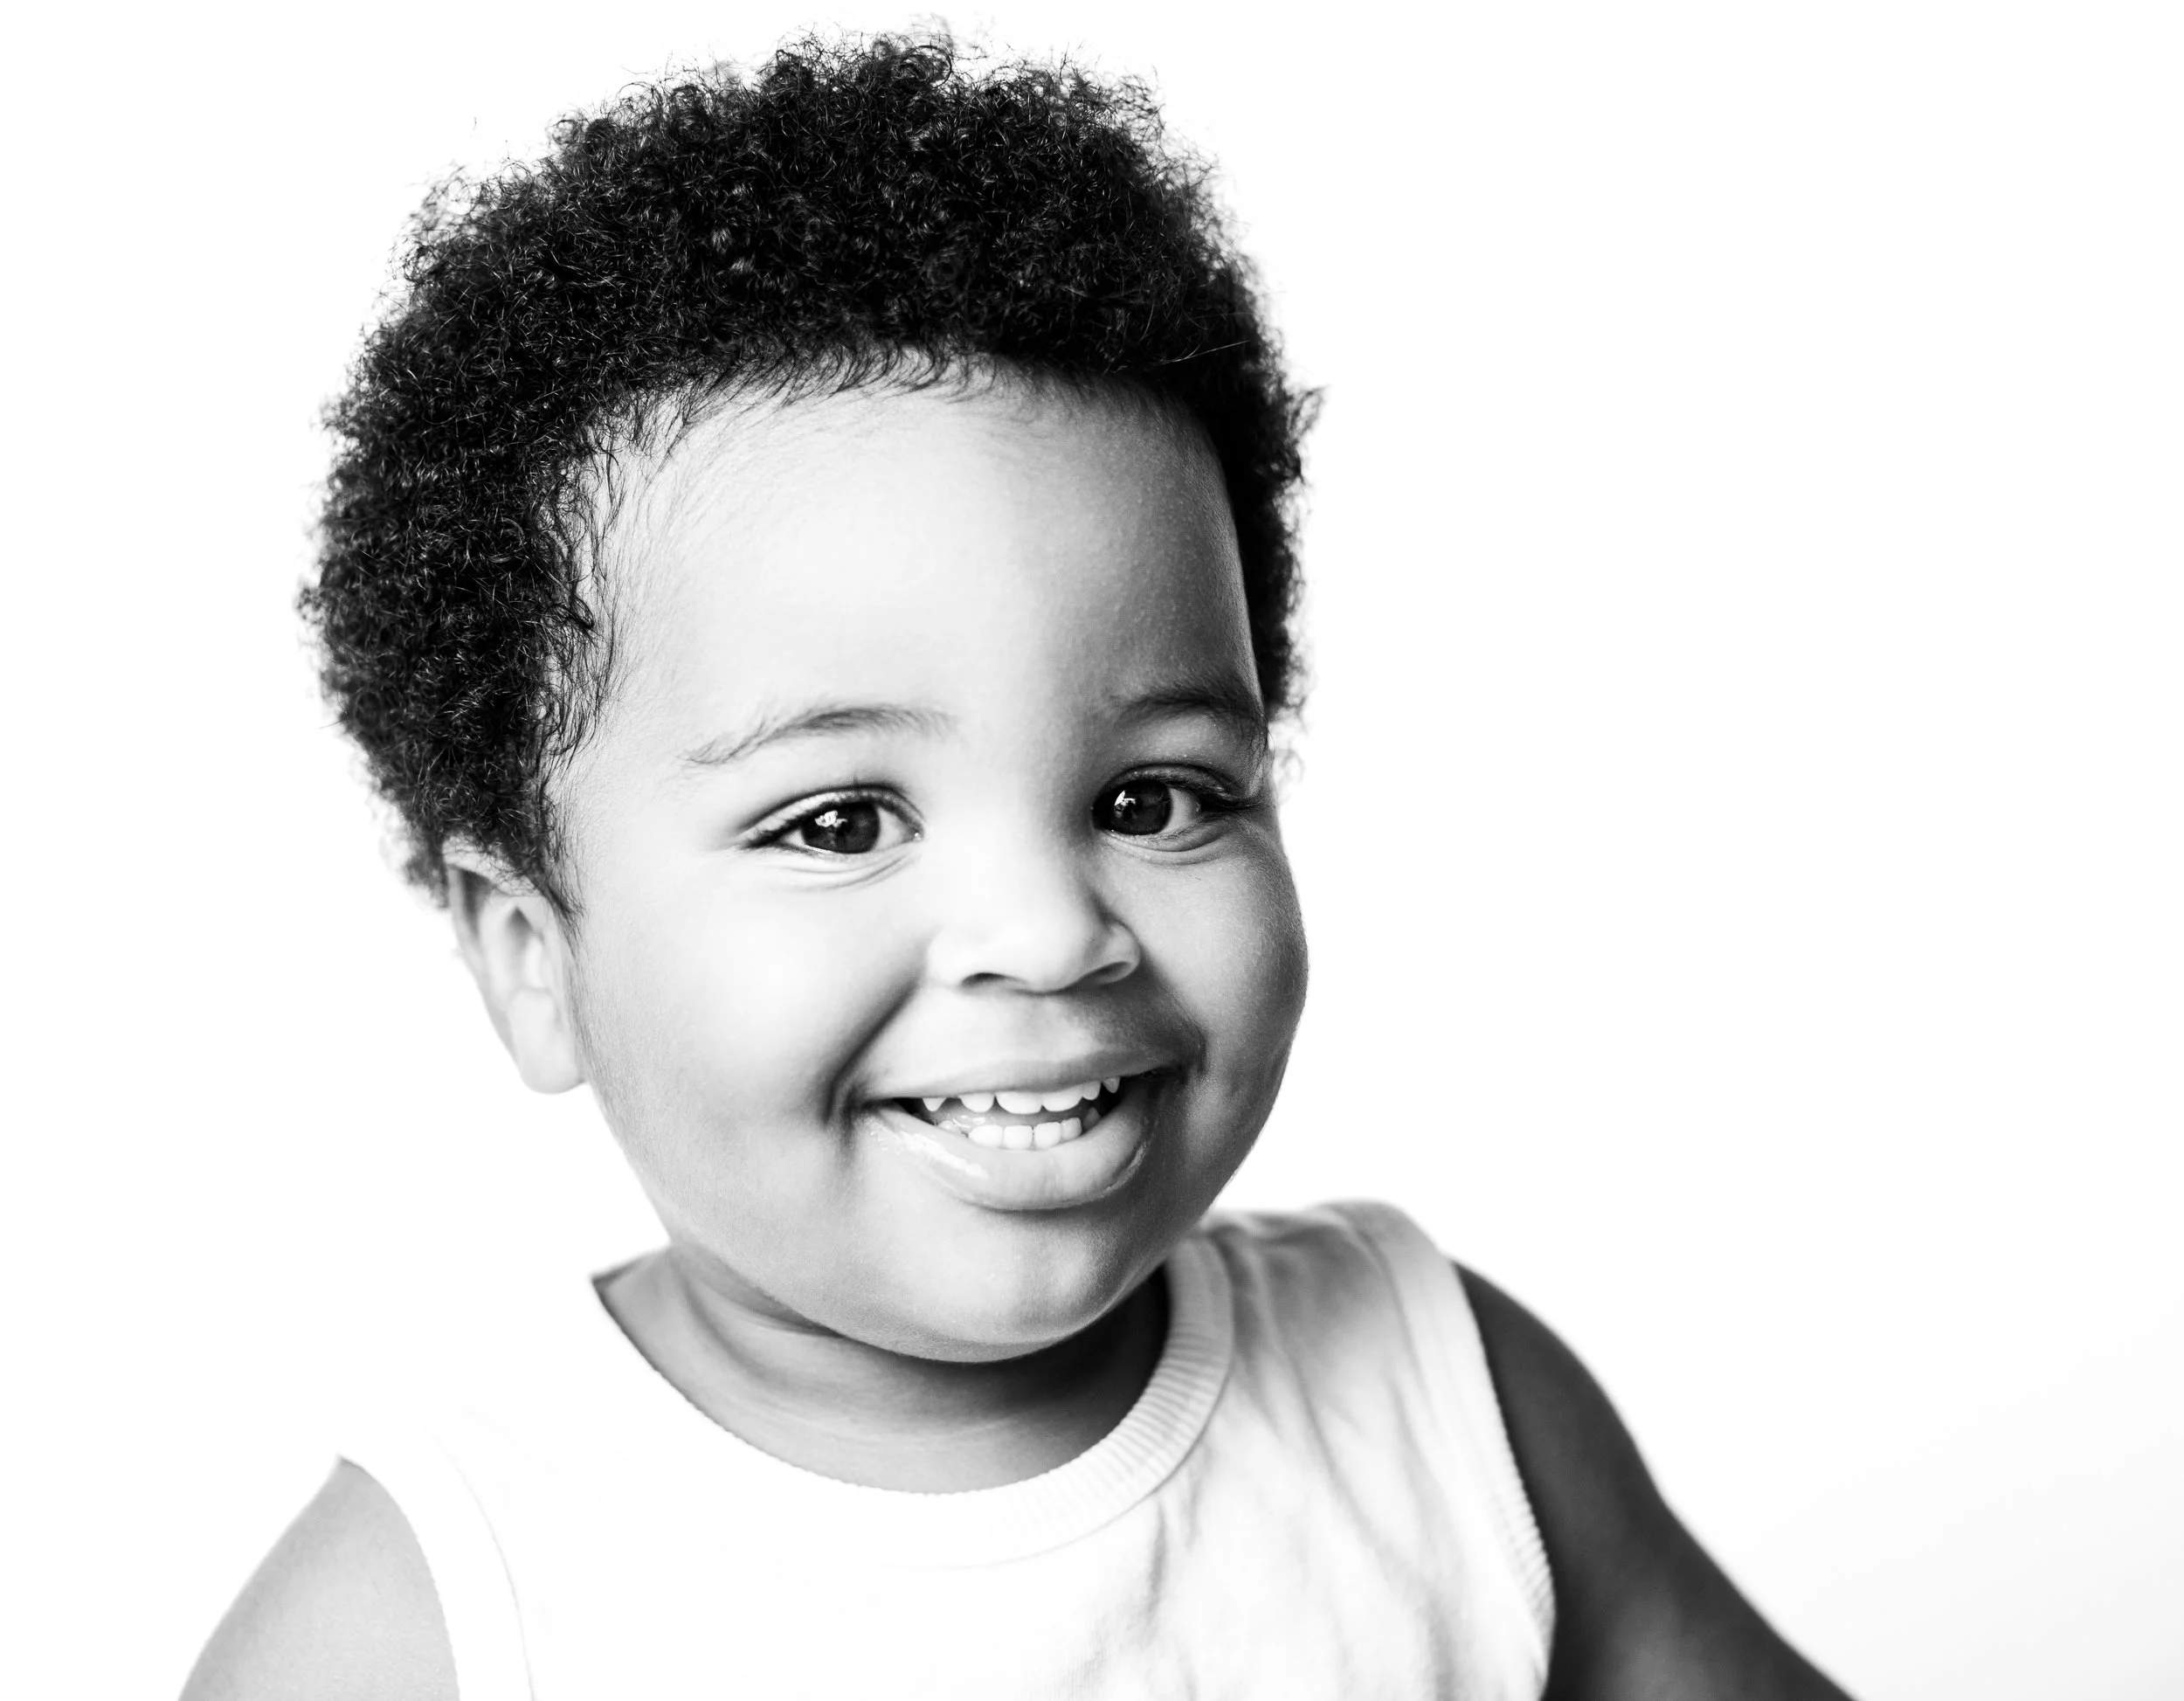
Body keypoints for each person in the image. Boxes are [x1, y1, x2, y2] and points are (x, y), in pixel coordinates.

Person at [185, 34, 1849, 1700]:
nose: (1052, 933)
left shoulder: (1450, 1413)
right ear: (532, 951)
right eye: (840, 822)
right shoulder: (432, 1619)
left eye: (1152, 797)